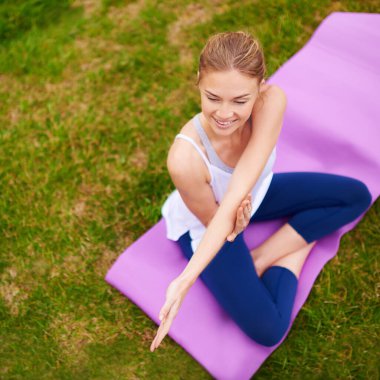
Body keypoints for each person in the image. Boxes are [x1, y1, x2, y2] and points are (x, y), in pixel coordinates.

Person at [150, 31, 372, 351]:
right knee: (268, 328)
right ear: (198, 81)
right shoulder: (184, 160)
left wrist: (243, 218)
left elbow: (243, 186)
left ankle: (262, 257)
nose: (225, 114)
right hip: (210, 221)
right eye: (213, 97)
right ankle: (294, 247)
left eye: (240, 100)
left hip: (252, 197)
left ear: (260, 86)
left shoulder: (272, 101)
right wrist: (184, 281)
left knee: (355, 196)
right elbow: (222, 216)